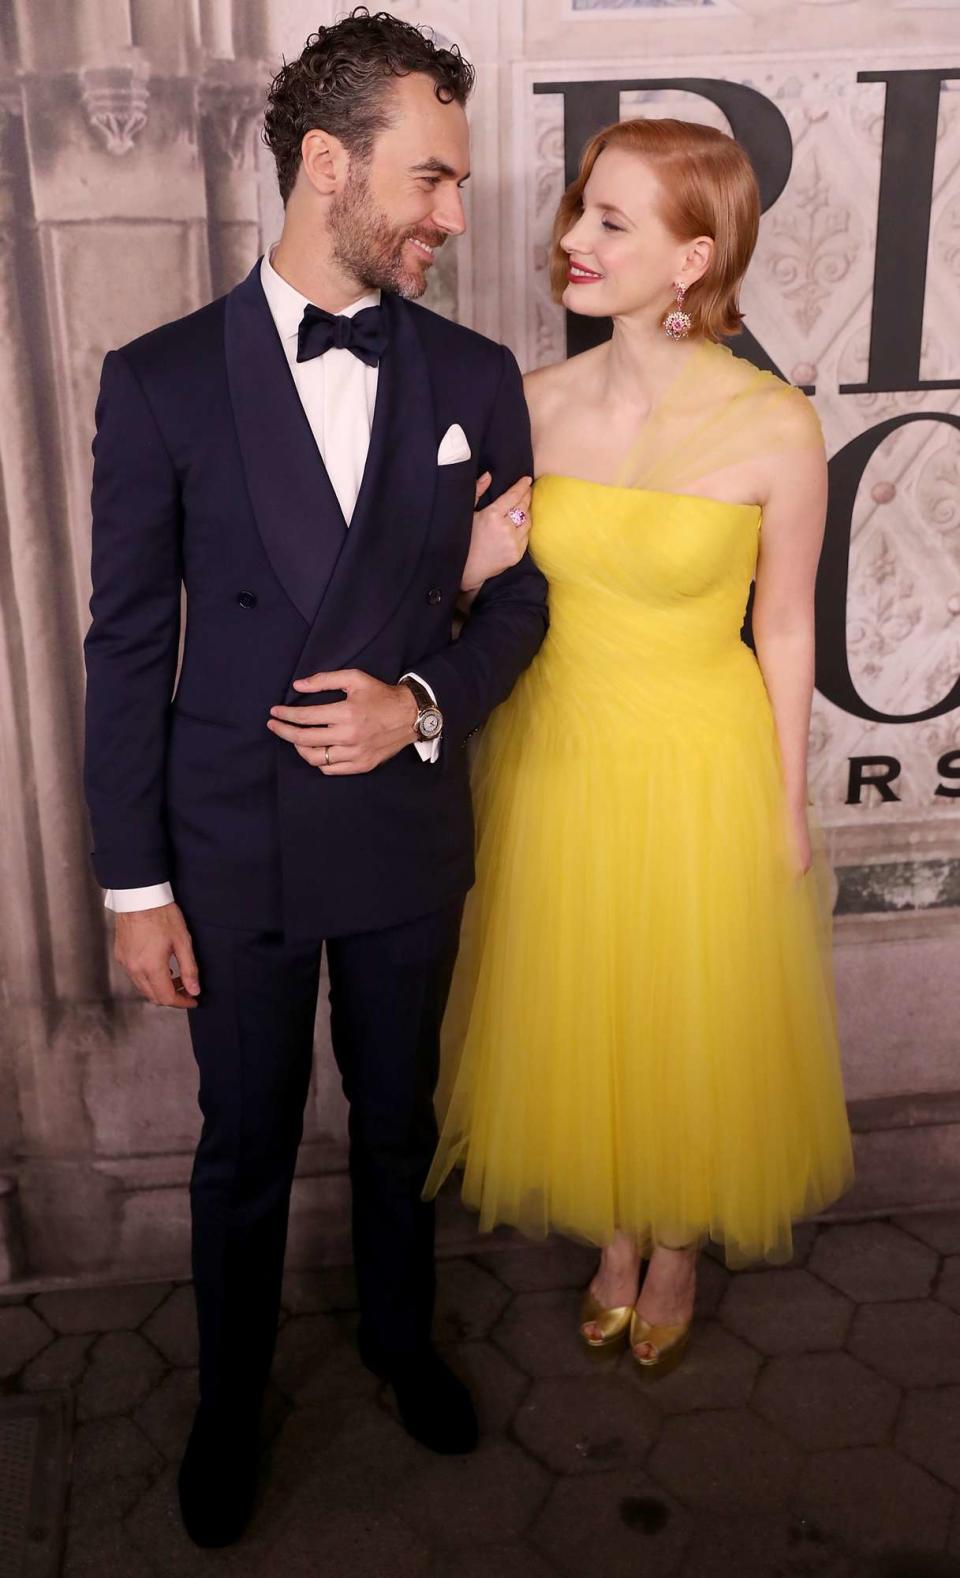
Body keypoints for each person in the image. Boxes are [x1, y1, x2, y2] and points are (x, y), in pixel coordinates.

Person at [83, 8, 546, 1549]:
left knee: (403, 1120)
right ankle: (226, 1402)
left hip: (408, 830)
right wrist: (135, 883)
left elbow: (525, 604)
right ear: (329, 163)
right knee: (245, 1143)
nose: (455, 216)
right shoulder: (154, 382)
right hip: (235, 848)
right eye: (433, 178)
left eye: (460, 183)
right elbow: (125, 645)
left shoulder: (476, 371)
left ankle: (402, 1339)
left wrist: (420, 698)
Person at [426, 116, 853, 1376]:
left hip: (701, 761)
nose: (572, 239)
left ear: (692, 260)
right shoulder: (531, 406)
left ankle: (674, 1244)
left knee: (686, 1007)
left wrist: (785, 807)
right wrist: (466, 564)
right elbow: (475, 600)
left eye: (612, 221)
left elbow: (784, 631)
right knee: (579, 1000)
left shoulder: (778, 427)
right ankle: (615, 1233)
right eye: (578, 209)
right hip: (553, 755)